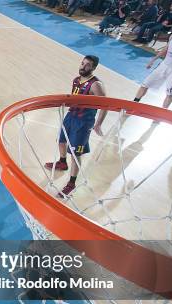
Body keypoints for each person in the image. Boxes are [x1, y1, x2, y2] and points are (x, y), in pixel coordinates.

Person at [44, 56, 107, 198]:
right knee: (61, 141)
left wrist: (98, 124)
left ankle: (71, 184)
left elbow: (105, 105)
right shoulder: (76, 80)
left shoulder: (96, 85)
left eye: (88, 65)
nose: (83, 67)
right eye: (82, 63)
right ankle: (62, 163)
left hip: (84, 122)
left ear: (93, 68)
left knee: (75, 153)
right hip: (71, 116)